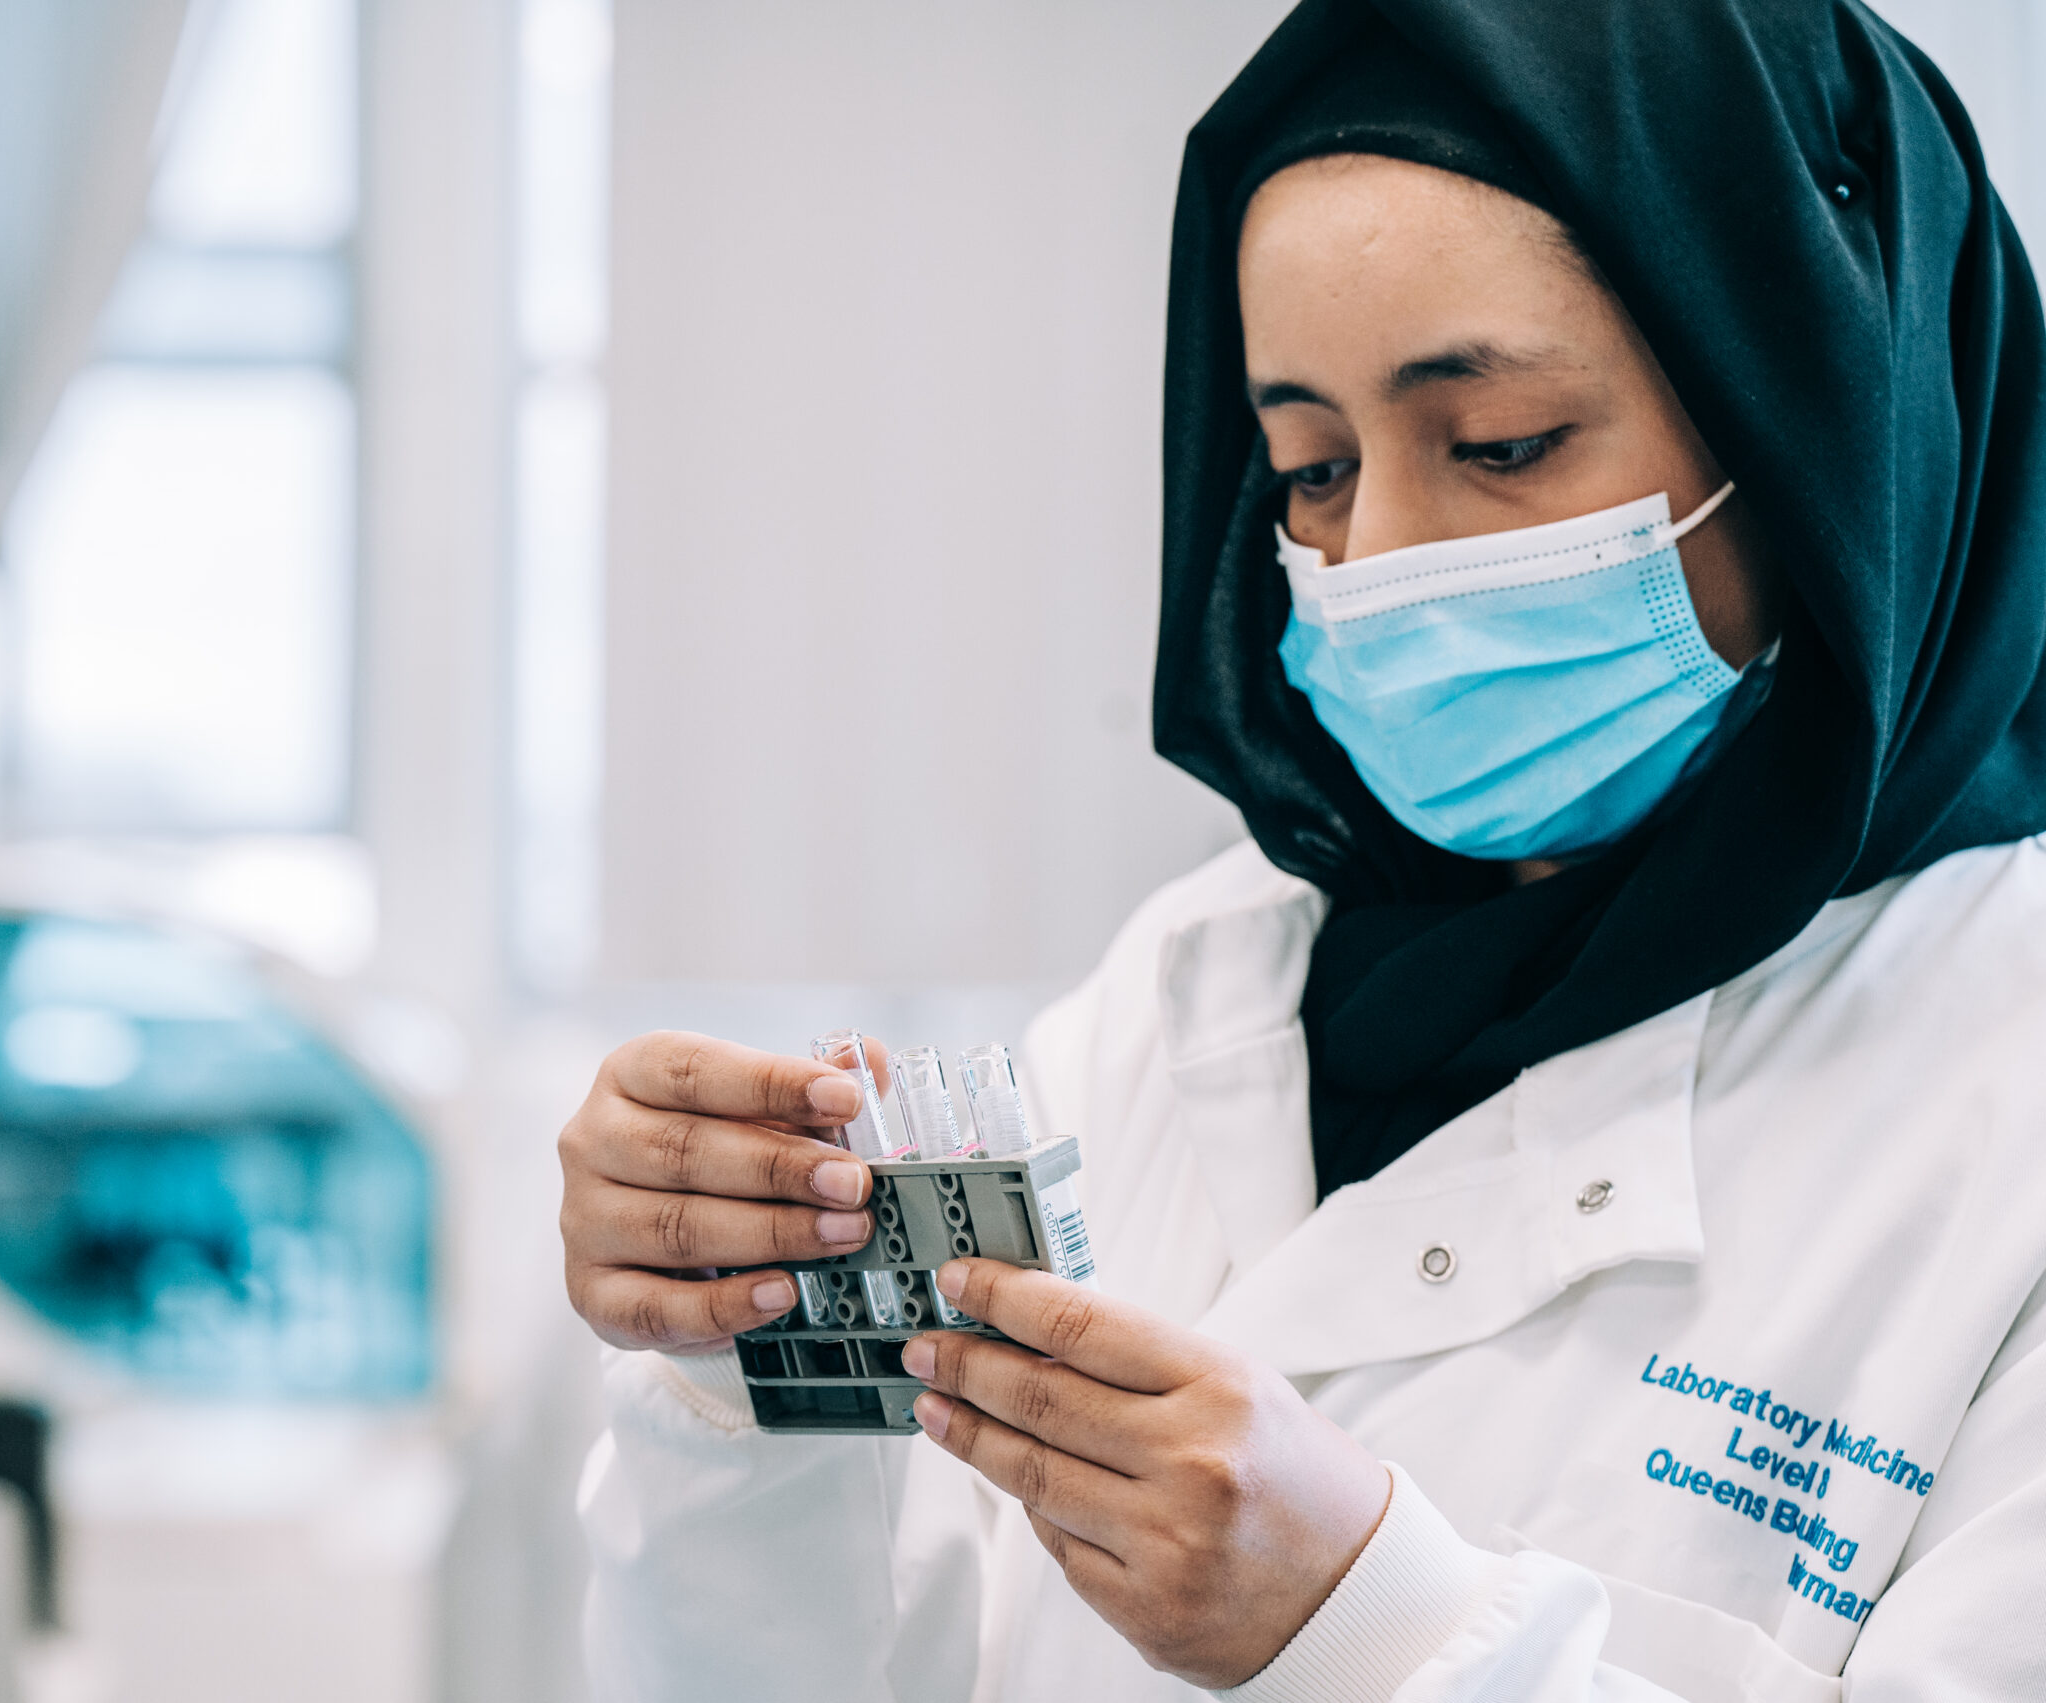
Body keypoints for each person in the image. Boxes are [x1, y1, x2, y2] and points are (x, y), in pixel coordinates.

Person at [558, 0, 2046, 1696]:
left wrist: (1380, 1635)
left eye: (1500, 446)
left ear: (1820, 428)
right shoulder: (1182, 1002)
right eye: (1312, 469)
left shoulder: (2003, 1088)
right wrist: (746, 1371)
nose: (1383, 557)